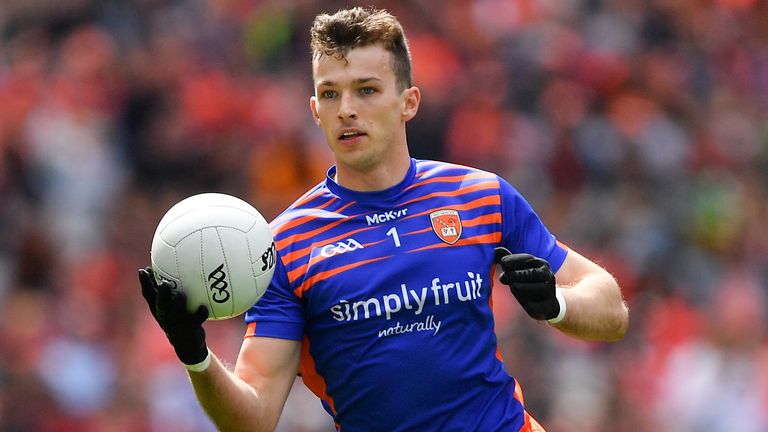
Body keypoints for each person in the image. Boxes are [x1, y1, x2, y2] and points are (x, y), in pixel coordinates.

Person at [138, 6, 629, 431]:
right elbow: (256, 414)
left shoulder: (480, 195)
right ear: (314, 109)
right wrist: (194, 354)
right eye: (330, 94)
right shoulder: (283, 244)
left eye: (367, 90)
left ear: (408, 102)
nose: (347, 109)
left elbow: (611, 310)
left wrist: (556, 304)